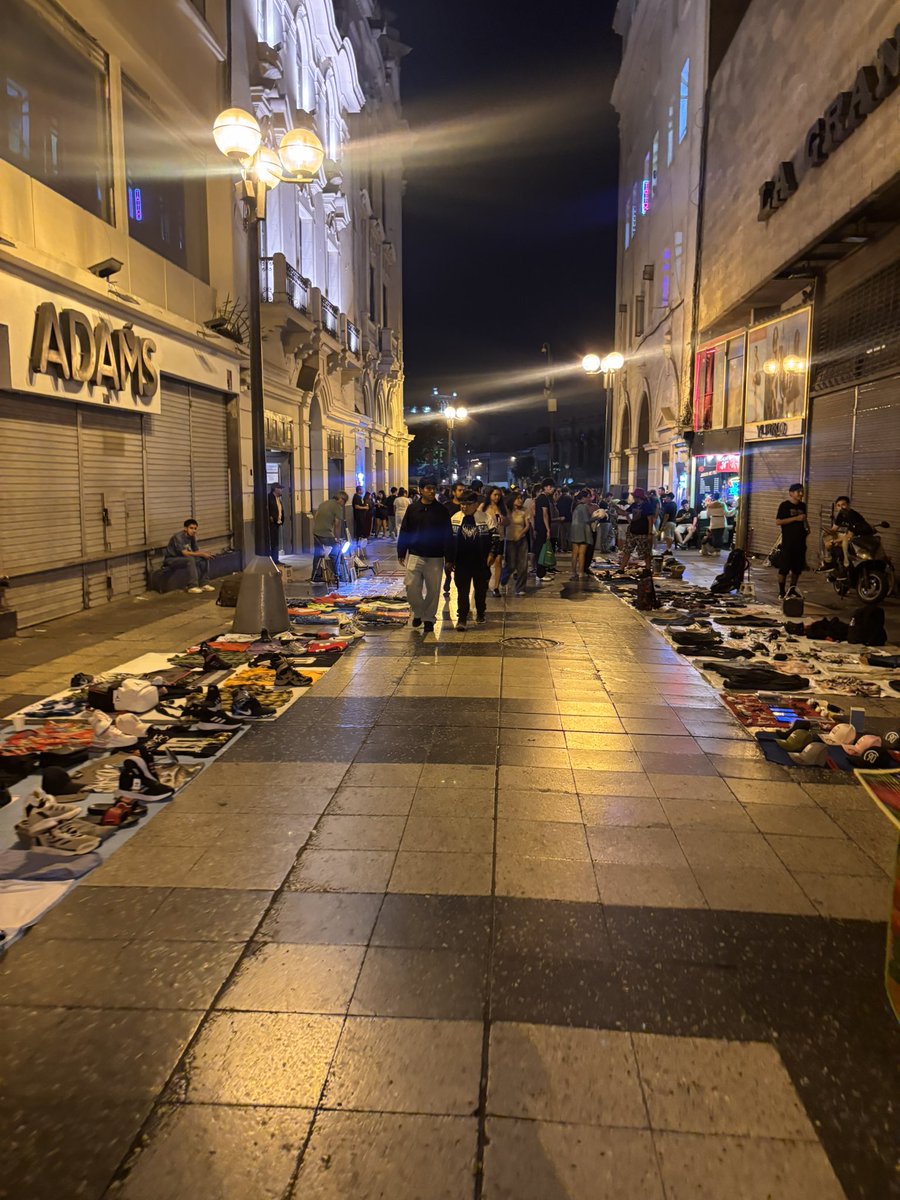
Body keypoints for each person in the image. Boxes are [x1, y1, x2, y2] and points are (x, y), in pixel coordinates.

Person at [397, 476, 453, 635]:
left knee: (433, 590)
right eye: (428, 488)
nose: (431, 491)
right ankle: (418, 612)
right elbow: (405, 530)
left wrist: (449, 558)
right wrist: (402, 551)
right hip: (415, 554)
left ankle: (428, 619)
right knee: (411, 587)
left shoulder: (441, 510)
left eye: (433, 488)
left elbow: (448, 534)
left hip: (435, 557)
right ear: (421, 490)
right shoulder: (413, 508)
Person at [449, 490, 493, 629]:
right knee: (462, 591)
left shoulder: (485, 518)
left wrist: (492, 555)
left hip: (481, 562)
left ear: (475, 504)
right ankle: (462, 618)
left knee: (480, 590)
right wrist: (449, 559)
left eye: (468, 504)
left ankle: (480, 612)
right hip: (462, 562)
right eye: (462, 504)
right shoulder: (455, 518)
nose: (464, 507)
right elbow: (448, 541)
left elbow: (496, 538)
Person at [775, 482, 809, 598]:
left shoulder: (802, 506)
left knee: (797, 569)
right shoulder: (784, 506)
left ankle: (792, 589)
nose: (801, 493)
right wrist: (796, 518)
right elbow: (778, 521)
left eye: (802, 491)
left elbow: (804, 519)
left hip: (800, 543)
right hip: (788, 543)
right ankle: (781, 591)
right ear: (791, 493)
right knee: (784, 568)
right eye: (798, 491)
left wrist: (807, 527)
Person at [164, 518, 215, 593]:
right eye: (191, 528)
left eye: (195, 528)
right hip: (171, 559)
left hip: (183, 558)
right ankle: (192, 586)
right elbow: (185, 553)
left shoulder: (192, 536)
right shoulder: (178, 537)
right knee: (190, 559)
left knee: (204, 559)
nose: (194, 530)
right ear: (185, 528)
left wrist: (205, 554)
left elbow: (196, 550)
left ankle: (204, 583)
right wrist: (201, 554)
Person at [826, 495, 874, 571]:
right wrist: (828, 535)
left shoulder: (852, 515)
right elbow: (834, 529)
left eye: (843, 505)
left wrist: (833, 541)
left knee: (840, 546)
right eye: (838, 505)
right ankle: (832, 564)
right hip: (853, 539)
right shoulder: (841, 515)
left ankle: (844, 569)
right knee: (829, 541)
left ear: (848, 505)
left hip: (860, 540)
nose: (841, 507)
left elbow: (849, 535)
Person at [312, 491, 348, 577]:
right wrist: (337, 539)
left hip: (316, 532)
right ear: (340, 499)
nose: (343, 504)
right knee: (335, 553)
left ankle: (315, 576)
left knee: (318, 554)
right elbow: (337, 525)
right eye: (344, 502)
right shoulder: (337, 507)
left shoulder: (323, 503)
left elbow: (315, 516)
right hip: (326, 533)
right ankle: (337, 575)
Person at [481, 486, 509, 596]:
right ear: (490, 495)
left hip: (500, 537)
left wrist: (504, 520)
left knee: (498, 560)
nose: (497, 497)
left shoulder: (502, 507)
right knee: (488, 561)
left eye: (499, 495)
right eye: (495, 495)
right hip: (487, 538)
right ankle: (485, 582)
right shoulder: (483, 507)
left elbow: (508, 522)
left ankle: (496, 587)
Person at [620, 487, 655, 571]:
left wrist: (650, 533)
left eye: (634, 496)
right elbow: (625, 513)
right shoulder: (634, 505)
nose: (633, 498)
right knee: (627, 550)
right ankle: (621, 568)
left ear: (638, 497)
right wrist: (615, 507)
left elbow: (650, 519)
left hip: (642, 532)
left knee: (645, 552)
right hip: (633, 531)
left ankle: (647, 569)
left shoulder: (647, 506)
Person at [442, 481, 467, 597]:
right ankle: (448, 578)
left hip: (464, 540)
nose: (462, 492)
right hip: (450, 540)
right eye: (459, 490)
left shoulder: (467, 506)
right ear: (453, 492)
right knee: (448, 564)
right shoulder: (447, 506)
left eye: (463, 490)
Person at [504, 492, 530, 596]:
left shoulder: (524, 511)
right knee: (511, 565)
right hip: (509, 540)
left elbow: (527, 525)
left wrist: (521, 533)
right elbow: (501, 523)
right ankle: (504, 576)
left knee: (522, 565)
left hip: (521, 540)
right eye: (517, 498)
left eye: (520, 498)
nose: (520, 500)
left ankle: (520, 588)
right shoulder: (506, 511)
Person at [533, 478, 556, 581]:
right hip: (542, 528)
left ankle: (541, 573)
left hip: (539, 527)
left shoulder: (540, 498)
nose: (553, 490)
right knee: (542, 551)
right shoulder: (543, 498)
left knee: (540, 550)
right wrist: (548, 529)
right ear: (547, 487)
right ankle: (540, 574)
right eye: (552, 487)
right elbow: (545, 514)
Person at [569, 488, 594, 578]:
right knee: (582, 553)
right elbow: (587, 520)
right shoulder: (583, 507)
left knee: (574, 554)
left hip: (574, 531)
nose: (589, 499)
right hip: (582, 532)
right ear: (583, 498)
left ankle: (573, 572)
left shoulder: (575, 506)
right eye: (588, 497)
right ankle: (581, 572)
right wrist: (596, 517)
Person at [267, 483, 285, 564]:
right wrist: (271, 518)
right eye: (280, 488)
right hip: (271, 524)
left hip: (277, 524)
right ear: (275, 489)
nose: (282, 490)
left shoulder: (278, 499)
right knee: (273, 542)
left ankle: (276, 559)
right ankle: (272, 560)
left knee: (276, 542)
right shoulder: (269, 498)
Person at [556, 487, 573, 553]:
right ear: (568, 491)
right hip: (569, 518)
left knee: (562, 534)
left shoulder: (559, 499)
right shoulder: (570, 498)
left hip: (561, 519)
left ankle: (563, 547)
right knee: (569, 534)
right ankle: (570, 547)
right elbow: (572, 508)